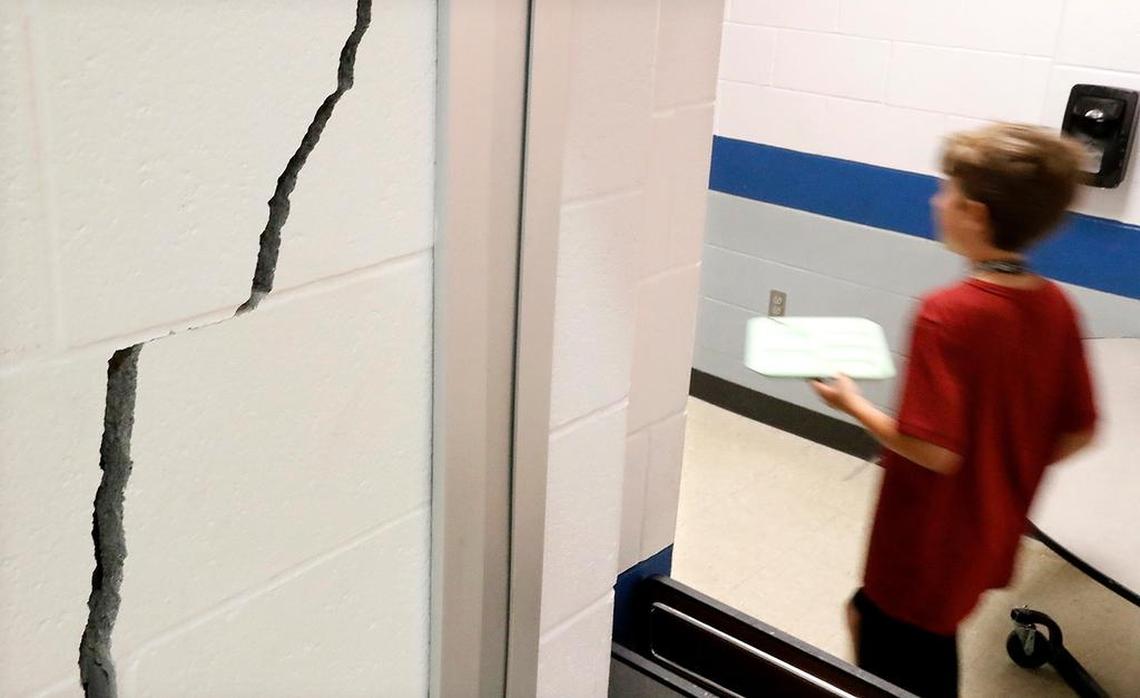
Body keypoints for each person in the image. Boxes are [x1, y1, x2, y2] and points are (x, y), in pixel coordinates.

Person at [811, 123, 1099, 698]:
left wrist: (853, 405)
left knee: (904, 661)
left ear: (974, 212)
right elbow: (1078, 431)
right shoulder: (1057, 306)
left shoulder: (948, 314)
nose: (934, 200)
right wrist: (1003, 465)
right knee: (873, 621)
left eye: (945, 190)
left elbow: (936, 451)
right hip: (990, 528)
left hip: (926, 539)